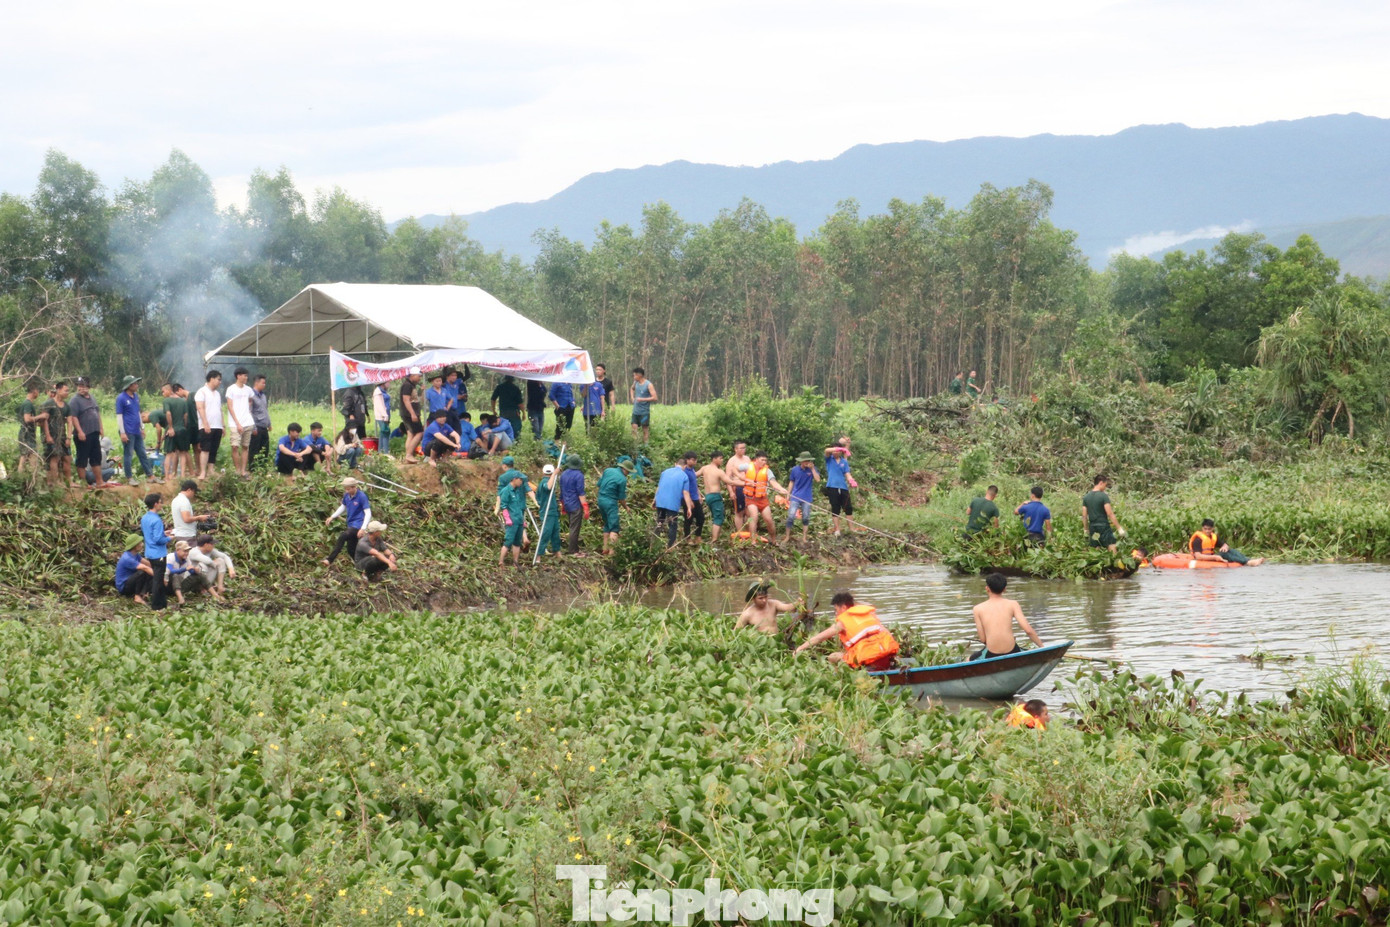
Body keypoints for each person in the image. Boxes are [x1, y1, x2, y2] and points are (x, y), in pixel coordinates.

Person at [794, 591, 900, 670]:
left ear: (843, 607)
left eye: (836, 610)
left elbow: (819, 638)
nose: (836, 614)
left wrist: (799, 648)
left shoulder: (842, 622)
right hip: (885, 655)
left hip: (867, 660)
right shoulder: (869, 615)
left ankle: (841, 678)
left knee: (833, 657)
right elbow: (887, 634)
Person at [971, 573, 1043, 660]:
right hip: (1013, 651)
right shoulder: (1013, 604)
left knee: (969, 659)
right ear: (1004, 589)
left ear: (987, 589)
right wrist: (1042, 647)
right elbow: (1028, 631)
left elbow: (982, 639)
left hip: (991, 653)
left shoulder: (977, 609)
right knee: (1027, 651)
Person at [67, 377, 108, 490]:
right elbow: (74, 417)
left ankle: (99, 481)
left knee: (96, 457)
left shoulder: (92, 398)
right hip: (83, 434)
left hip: (94, 432)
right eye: (79, 386)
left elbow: (97, 413)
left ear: (88, 387)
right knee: (82, 458)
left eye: (83, 386)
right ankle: (84, 483)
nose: (81, 388)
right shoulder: (74, 400)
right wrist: (80, 431)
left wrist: (101, 427)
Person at [742, 451, 790, 544]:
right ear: (756, 459)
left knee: (768, 520)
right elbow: (735, 469)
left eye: (765, 460)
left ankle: (774, 540)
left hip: (762, 499)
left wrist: (781, 489)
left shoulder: (767, 471)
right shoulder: (747, 466)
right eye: (762, 460)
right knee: (754, 516)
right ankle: (752, 541)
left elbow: (773, 482)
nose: (764, 462)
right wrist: (743, 479)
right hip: (751, 499)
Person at [323, 476, 372, 566]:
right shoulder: (346, 495)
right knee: (351, 550)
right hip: (350, 524)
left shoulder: (362, 496)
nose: (346, 491)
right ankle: (363, 566)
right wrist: (332, 516)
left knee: (343, 536)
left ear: (354, 487)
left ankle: (330, 559)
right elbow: (343, 507)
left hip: (358, 524)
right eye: (345, 489)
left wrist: (363, 528)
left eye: (348, 489)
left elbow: (368, 513)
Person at [114, 375, 153, 484]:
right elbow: (119, 416)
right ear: (129, 385)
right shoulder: (121, 398)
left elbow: (137, 413)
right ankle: (129, 477)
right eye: (135, 383)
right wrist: (122, 432)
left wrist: (142, 427)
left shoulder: (136, 396)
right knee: (128, 455)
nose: (137, 385)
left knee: (142, 453)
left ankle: (150, 475)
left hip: (136, 431)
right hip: (127, 431)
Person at [654, 456, 694, 548]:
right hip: (672, 503)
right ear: (684, 466)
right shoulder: (684, 476)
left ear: (675, 464)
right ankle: (670, 547)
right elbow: (686, 493)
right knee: (672, 525)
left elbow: (659, 487)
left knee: (659, 522)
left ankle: (655, 544)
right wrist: (688, 508)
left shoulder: (665, 472)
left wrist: (654, 500)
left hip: (660, 501)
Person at [697, 450, 736, 545]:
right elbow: (730, 482)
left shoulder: (704, 468)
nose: (722, 460)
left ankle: (715, 539)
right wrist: (745, 483)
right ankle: (714, 540)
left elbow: (692, 476)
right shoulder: (719, 471)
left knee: (717, 516)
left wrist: (697, 491)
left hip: (708, 496)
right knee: (718, 517)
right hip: (715, 495)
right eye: (720, 458)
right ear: (714, 459)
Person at [596, 458, 634, 555]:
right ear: (625, 470)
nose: (628, 474)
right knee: (614, 528)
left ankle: (605, 549)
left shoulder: (608, 470)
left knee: (607, 524)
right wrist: (626, 507)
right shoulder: (622, 479)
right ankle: (612, 554)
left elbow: (599, 484)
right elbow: (621, 498)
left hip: (600, 500)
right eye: (628, 472)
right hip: (610, 503)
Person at [38, 380, 72, 489]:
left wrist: (69, 437)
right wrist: (47, 436)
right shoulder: (48, 404)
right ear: (58, 390)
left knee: (67, 458)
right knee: (54, 458)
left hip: (62, 436)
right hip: (51, 437)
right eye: (65, 390)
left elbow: (70, 422)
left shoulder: (66, 406)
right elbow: (44, 421)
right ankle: (55, 482)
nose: (67, 393)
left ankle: (69, 482)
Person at [140, 492, 170, 610]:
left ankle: (163, 603)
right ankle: (156, 605)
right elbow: (158, 539)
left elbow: (150, 534)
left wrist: (163, 533)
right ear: (155, 503)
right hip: (159, 553)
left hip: (149, 552)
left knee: (157, 578)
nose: (161, 504)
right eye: (160, 502)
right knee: (158, 580)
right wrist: (169, 538)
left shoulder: (145, 518)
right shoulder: (157, 520)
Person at [1189, 518, 1264, 566]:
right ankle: (1248, 563)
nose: (1207, 531)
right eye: (1205, 529)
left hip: (1211, 557)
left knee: (1231, 551)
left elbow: (1224, 544)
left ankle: (1249, 560)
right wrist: (1215, 557)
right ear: (1202, 528)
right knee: (1224, 554)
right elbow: (1198, 556)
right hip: (1202, 559)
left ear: (1213, 528)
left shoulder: (1213, 537)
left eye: (1209, 529)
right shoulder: (1197, 540)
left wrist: (1225, 547)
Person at [224, 367, 256, 477]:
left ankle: (243, 470)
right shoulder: (231, 389)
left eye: (247, 376)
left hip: (248, 422)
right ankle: (237, 470)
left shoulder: (248, 389)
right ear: (238, 376)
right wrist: (237, 423)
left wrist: (247, 410)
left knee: (245, 446)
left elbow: (251, 399)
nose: (246, 377)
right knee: (234, 446)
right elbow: (230, 406)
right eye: (244, 375)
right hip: (234, 423)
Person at [1081, 474, 1126, 552]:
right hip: (1104, 526)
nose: (1105, 488)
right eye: (1105, 485)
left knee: (1096, 551)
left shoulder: (1086, 497)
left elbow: (1084, 516)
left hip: (1092, 527)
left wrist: (1086, 529)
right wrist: (1119, 528)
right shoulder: (1103, 496)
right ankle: (1113, 562)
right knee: (1112, 546)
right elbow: (1110, 513)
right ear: (1101, 483)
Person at [194, 370, 224, 480]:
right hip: (206, 425)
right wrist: (205, 423)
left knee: (214, 449)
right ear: (211, 379)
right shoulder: (201, 392)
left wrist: (223, 425)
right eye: (218, 379)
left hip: (217, 425)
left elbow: (220, 410)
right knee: (205, 449)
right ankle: (203, 472)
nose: (220, 382)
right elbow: (200, 408)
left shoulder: (217, 394)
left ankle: (211, 470)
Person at [784, 452, 819, 544]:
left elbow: (818, 479)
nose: (807, 462)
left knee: (806, 517)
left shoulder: (812, 469)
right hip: (795, 496)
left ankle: (804, 538)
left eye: (808, 460)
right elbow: (791, 482)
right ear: (801, 461)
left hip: (807, 497)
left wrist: (812, 469)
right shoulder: (795, 470)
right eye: (805, 461)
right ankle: (787, 536)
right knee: (791, 516)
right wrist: (788, 494)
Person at [162, 382, 193, 480]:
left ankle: (167, 476)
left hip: (172, 430)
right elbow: (185, 416)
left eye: (163, 391)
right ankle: (183, 475)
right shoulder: (183, 401)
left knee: (169, 453)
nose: (163, 394)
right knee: (183, 453)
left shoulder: (166, 401)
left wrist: (170, 428)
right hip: (182, 429)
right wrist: (183, 426)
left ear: (168, 390)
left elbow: (168, 413)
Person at [559, 453, 588, 556]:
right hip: (575, 504)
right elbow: (581, 492)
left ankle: (575, 548)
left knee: (572, 526)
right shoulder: (579, 475)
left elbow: (562, 491)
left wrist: (562, 505)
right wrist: (585, 507)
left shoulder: (563, 474)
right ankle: (573, 551)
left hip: (567, 503)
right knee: (574, 528)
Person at [498, 472, 529, 566]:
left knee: (517, 542)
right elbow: (503, 506)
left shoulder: (517, 491)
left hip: (519, 519)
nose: (521, 482)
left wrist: (522, 521)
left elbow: (519, 506)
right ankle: (501, 562)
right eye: (520, 480)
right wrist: (507, 519)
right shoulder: (506, 491)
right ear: (514, 479)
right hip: (512, 521)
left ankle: (515, 562)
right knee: (508, 541)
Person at [114, 533, 156, 604]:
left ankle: (144, 593)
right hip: (124, 587)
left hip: (132, 582)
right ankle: (137, 597)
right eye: (140, 543)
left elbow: (148, 564)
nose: (142, 544)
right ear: (135, 546)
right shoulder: (127, 558)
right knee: (143, 572)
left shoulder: (135, 555)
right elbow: (144, 567)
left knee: (149, 571)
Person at [823, 441, 854, 537]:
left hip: (843, 487)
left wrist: (851, 480)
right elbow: (827, 450)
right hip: (832, 487)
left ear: (841, 453)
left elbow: (847, 473)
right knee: (835, 508)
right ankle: (837, 530)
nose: (836, 452)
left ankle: (851, 529)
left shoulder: (844, 461)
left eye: (838, 450)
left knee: (848, 508)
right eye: (835, 450)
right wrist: (841, 448)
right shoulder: (829, 459)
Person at [165, 539, 209, 604]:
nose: (186, 553)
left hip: (180, 586)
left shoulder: (186, 559)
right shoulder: (170, 557)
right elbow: (170, 571)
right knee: (175, 575)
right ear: (177, 550)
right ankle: (180, 598)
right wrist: (185, 568)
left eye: (187, 551)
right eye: (184, 551)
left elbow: (191, 571)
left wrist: (195, 570)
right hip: (168, 585)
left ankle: (214, 594)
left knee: (199, 575)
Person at [535, 464, 564, 558]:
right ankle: (538, 554)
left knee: (555, 532)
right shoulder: (545, 482)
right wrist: (554, 474)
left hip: (553, 511)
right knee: (546, 533)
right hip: (547, 512)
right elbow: (548, 487)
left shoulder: (550, 480)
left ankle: (557, 551)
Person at [17, 380, 45, 475]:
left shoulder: (27, 403)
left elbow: (30, 421)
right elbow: (27, 419)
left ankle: (27, 479)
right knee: (27, 458)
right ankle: (33, 479)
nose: (38, 393)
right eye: (38, 391)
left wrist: (39, 421)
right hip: (26, 435)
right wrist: (41, 416)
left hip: (27, 434)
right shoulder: (28, 404)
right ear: (34, 391)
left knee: (25, 457)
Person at [725, 441, 752, 534]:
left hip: (749, 487)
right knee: (739, 511)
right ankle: (740, 533)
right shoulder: (732, 461)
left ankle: (749, 531)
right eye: (741, 448)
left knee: (749, 511)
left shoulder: (747, 459)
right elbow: (727, 479)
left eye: (744, 448)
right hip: (737, 487)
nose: (743, 450)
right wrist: (731, 492)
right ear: (735, 449)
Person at [399, 366, 424, 463]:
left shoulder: (411, 385)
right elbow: (406, 400)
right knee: (419, 432)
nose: (419, 378)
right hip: (409, 414)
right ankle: (409, 454)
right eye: (419, 376)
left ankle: (408, 456)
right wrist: (413, 414)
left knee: (411, 434)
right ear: (413, 375)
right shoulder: (407, 385)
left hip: (409, 413)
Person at [248, 374, 272, 470]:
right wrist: (253, 427)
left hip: (264, 426)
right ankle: (253, 468)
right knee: (255, 448)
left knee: (264, 448)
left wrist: (269, 423)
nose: (264, 385)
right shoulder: (251, 396)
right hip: (256, 426)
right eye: (263, 383)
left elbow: (265, 410)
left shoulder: (263, 396)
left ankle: (262, 468)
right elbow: (249, 412)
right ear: (256, 383)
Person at [680, 452, 705, 542]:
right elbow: (684, 488)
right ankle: (688, 537)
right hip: (687, 498)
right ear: (687, 460)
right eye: (693, 460)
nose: (695, 462)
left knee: (701, 518)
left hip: (695, 497)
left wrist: (699, 495)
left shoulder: (692, 470)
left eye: (695, 460)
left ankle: (698, 536)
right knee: (688, 519)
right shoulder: (684, 471)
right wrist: (689, 500)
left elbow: (694, 484)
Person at [490, 375, 524, 439]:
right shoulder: (515, 388)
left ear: (504, 379)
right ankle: (516, 442)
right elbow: (520, 403)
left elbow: (493, 399)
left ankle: (505, 441)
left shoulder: (500, 387)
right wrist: (524, 413)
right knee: (516, 427)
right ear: (513, 380)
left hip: (503, 411)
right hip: (514, 411)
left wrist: (493, 410)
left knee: (503, 426)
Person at [629, 367, 657, 443]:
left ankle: (645, 447)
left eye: (635, 375)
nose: (634, 377)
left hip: (644, 412)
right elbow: (632, 388)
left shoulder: (649, 385)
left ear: (639, 375)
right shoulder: (635, 383)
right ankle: (635, 446)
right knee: (634, 429)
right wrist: (632, 397)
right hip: (635, 411)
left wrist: (643, 399)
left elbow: (655, 397)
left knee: (645, 430)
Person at [373, 382, 393, 454]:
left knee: (382, 433)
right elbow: (379, 405)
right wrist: (384, 415)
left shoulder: (383, 391)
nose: (389, 384)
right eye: (388, 382)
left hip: (385, 415)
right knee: (385, 432)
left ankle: (380, 451)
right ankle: (386, 452)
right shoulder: (378, 392)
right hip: (382, 416)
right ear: (382, 383)